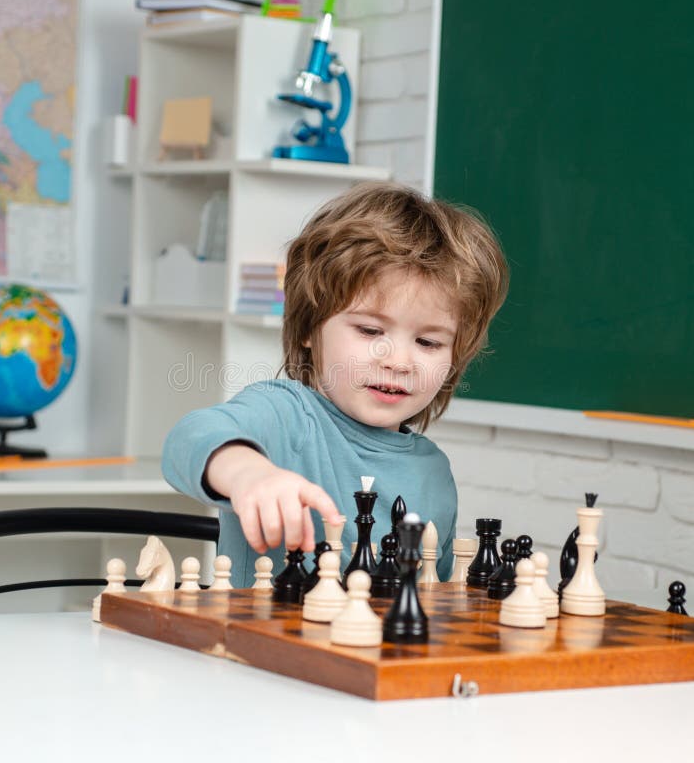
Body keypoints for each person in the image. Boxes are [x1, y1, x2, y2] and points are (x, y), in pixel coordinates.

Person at [162, 182, 508, 586]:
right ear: (310, 327)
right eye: (368, 330)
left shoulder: (433, 473)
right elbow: (187, 439)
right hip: (262, 645)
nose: (398, 361)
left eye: (428, 342)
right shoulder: (287, 415)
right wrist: (248, 475)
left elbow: (431, 597)